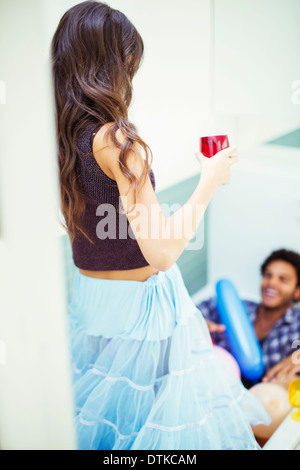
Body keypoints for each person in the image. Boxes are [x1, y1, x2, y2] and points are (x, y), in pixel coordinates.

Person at [51, 0, 270, 450]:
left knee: (109, 430)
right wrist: (209, 180)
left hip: (91, 305)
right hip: (143, 314)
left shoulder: (53, 136)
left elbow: (110, 225)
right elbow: (164, 253)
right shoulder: (117, 139)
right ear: (112, 64)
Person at [198, 249, 300, 389]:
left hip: (264, 403)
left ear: (297, 291)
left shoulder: (297, 324)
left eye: (283, 279)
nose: (271, 283)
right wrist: (195, 323)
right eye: (268, 275)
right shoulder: (235, 306)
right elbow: (188, 313)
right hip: (211, 389)